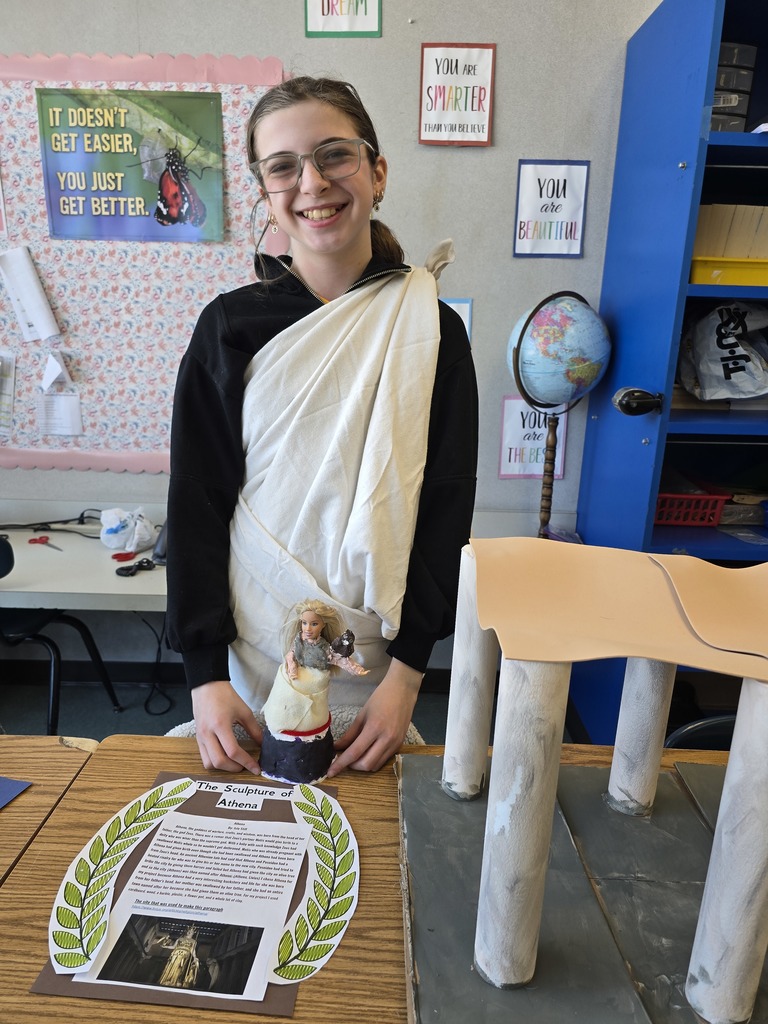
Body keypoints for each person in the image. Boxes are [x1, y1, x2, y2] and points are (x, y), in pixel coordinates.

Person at [166, 75, 478, 778]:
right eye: (283, 166)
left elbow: (443, 505)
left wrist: (408, 678)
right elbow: (197, 503)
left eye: (334, 155)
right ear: (265, 190)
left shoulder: (431, 328)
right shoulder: (228, 327)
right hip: (249, 662)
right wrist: (204, 675)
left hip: (379, 666)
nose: (312, 182)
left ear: (377, 171)